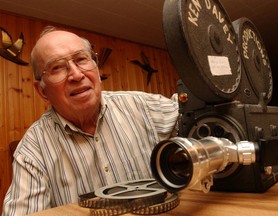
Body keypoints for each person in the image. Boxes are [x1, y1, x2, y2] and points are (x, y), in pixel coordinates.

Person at [2, 26, 179, 215]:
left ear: (95, 65)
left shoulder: (142, 106)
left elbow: (194, 114)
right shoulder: (33, 149)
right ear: (43, 91)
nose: (77, 75)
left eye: (81, 59)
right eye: (57, 67)